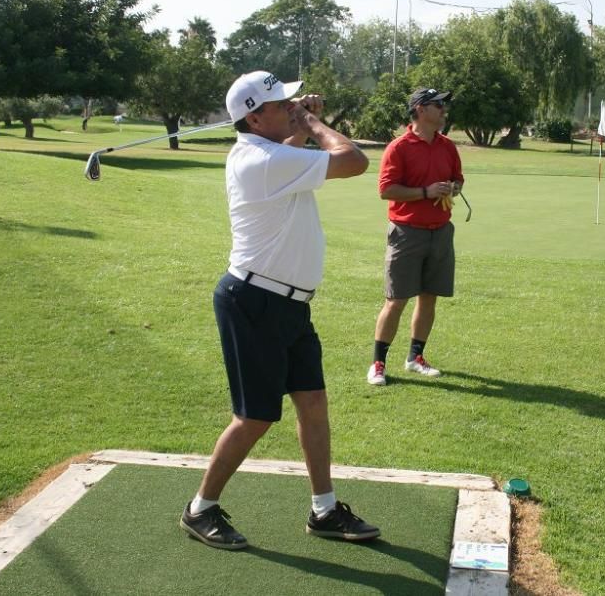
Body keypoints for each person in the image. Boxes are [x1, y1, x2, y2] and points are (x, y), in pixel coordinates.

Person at [180, 70, 379, 550]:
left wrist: (295, 122)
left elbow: (288, 144)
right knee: (255, 417)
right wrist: (312, 122)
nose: (291, 105)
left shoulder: (266, 152)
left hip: (288, 305)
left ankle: (324, 510)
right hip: (254, 301)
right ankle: (200, 509)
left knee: (312, 403)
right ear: (253, 116)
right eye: (281, 103)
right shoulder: (262, 160)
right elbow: (353, 160)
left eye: (292, 100)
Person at [366, 87, 464, 386]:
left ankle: (415, 357)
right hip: (407, 233)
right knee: (395, 300)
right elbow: (386, 190)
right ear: (421, 109)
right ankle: (378, 363)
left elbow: (458, 178)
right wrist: (425, 192)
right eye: (439, 105)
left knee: (429, 298)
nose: (444, 110)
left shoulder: (447, 146)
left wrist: (453, 187)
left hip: (440, 232)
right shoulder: (399, 147)